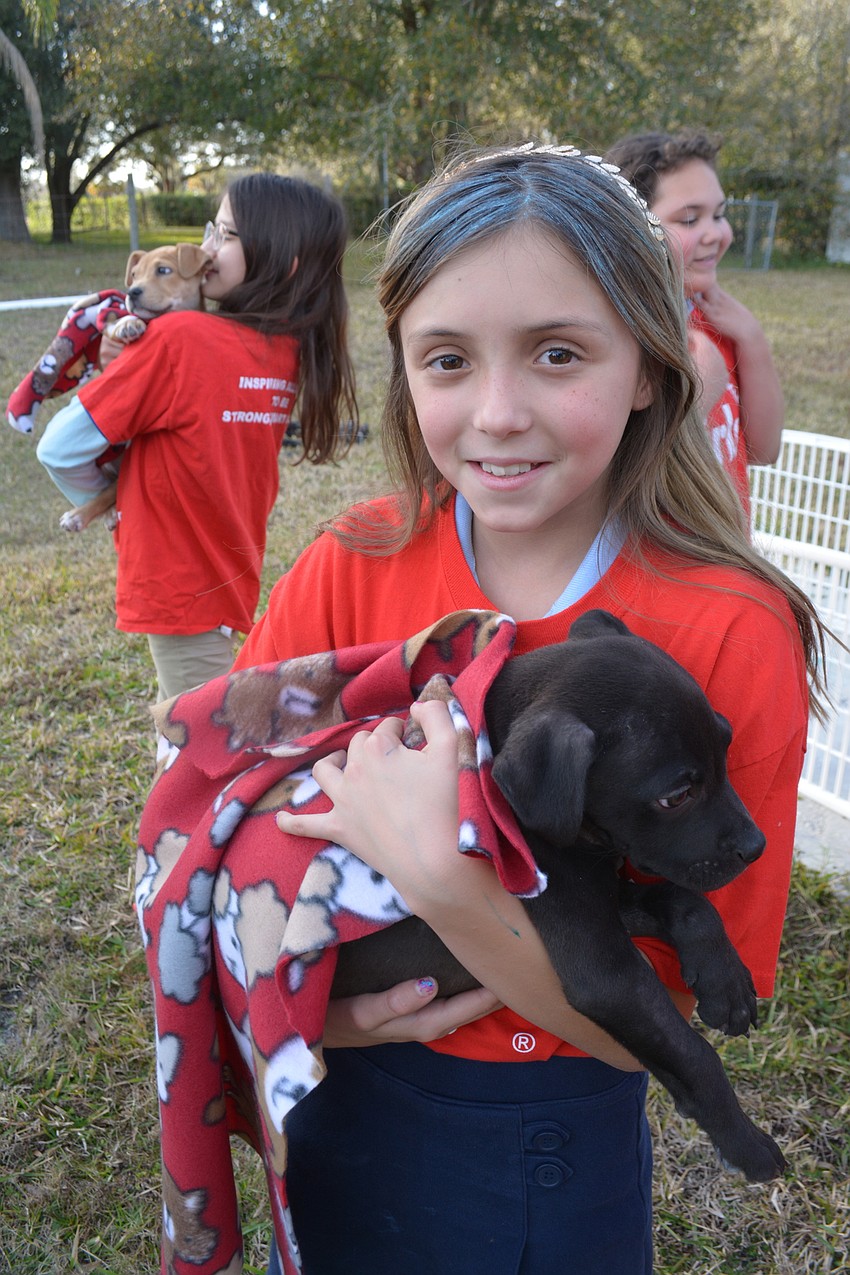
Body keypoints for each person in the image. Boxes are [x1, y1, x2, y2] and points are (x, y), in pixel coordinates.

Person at [229, 144, 822, 1275]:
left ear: (651, 365)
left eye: (557, 353)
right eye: (447, 359)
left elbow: (661, 1015)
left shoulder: (725, 627)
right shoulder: (347, 566)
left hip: (545, 1124)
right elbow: (222, 819)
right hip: (331, 1086)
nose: (497, 414)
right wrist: (328, 1022)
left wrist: (452, 888)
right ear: (402, 369)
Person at [37, 173, 358, 701]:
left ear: (283, 260)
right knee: (202, 733)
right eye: (213, 229)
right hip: (228, 569)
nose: (207, 248)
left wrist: (108, 499)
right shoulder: (288, 352)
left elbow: (59, 447)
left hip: (174, 577)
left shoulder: (179, 339)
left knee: (196, 752)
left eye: (226, 236)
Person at [604, 129, 784, 516]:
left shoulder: (715, 321)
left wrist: (752, 340)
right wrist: (692, 392)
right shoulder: (617, 337)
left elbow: (765, 450)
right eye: (689, 219)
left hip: (727, 563)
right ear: (629, 227)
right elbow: (616, 480)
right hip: (666, 568)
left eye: (718, 215)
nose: (716, 234)